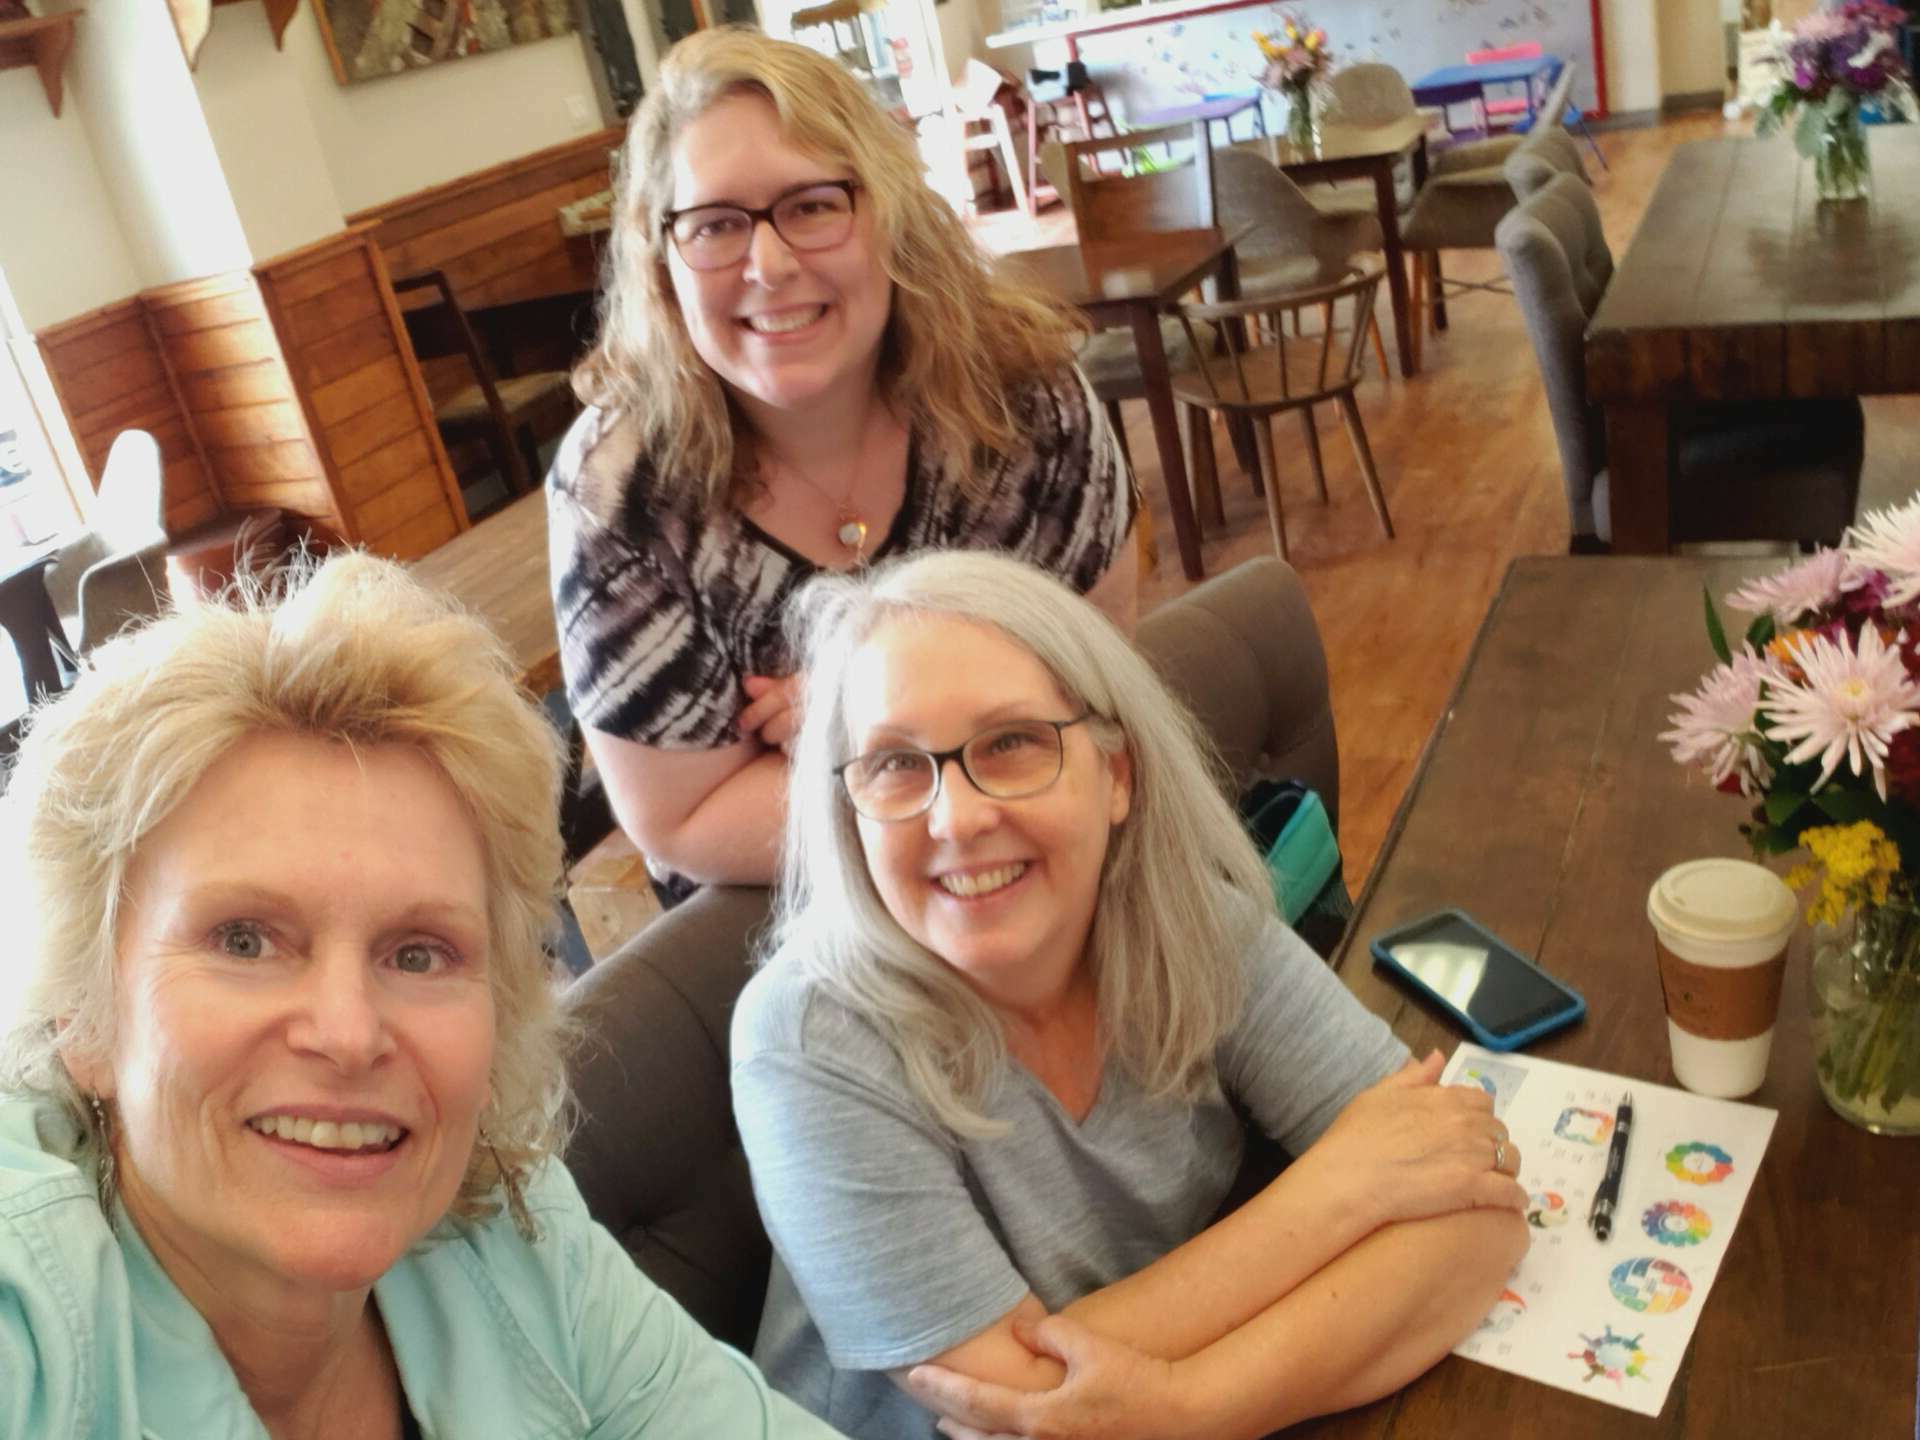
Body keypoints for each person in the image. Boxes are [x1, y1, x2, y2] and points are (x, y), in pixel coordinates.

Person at [0, 553, 844, 1439]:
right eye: (243, 940)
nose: (349, 1033)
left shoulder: (512, 1228)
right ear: (82, 1014)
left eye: (417, 953)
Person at [730, 551, 1532, 1440]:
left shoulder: (1191, 923)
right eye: (895, 764)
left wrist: (1190, 1408)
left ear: (1117, 775)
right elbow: (1001, 1408)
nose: (955, 818)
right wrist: (1343, 1190)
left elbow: (1474, 1201)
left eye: (1012, 743)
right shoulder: (806, 1034)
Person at [550, 26, 1137, 893]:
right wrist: (976, 727)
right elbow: (684, 821)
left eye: (813, 206)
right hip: (793, 931)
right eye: (714, 225)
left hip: (1053, 889)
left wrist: (851, 718)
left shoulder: (1025, 398)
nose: (769, 264)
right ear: (661, 261)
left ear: (890, 215)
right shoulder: (620, 490)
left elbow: (1102, 696)